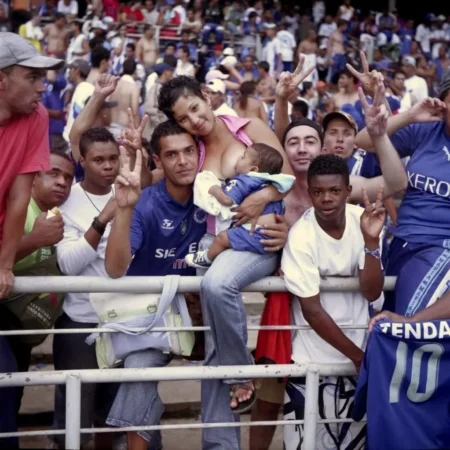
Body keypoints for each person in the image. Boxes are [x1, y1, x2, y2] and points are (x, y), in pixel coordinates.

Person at [157, 75, 289, 448]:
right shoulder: (193, 149)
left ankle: (241, 375)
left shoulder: (251, 127)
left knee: (217, 285)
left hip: (257, 238)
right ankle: (220, 444)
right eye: (183, 119)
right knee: (214, 344)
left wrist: (260, 199)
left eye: (195, 109)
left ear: (206, 97)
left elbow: (286, 176)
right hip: (214, 240)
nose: (194, 121)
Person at [104, 121, 205, 450]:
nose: (183, 161)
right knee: (138, 370)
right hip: (149, 315)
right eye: (172, 154)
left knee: (224, 374)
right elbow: (115, 268)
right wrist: (124, 209)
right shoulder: (144, 203)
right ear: (158, 162)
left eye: (189, 151)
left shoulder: (214, 195)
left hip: (199, 313)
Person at [282, 155, 385, 450]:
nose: (326, 198)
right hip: (312, 362)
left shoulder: (363, 220)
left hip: (356, 360)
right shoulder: (301, 235)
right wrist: (358, 358)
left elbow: (371, 290)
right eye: (318, 192)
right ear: (310, 192)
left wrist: (371, 244)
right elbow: (312, 311)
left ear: (347, 189)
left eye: (334, 191)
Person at [0, 31, 63, 446]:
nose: (45, 86)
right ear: (1, 79)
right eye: (32, 76)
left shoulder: (36, 117)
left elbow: (21, 195)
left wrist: (4, 264)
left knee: (6, 380)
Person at [354, 69, 450, 319]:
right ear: (443, 104)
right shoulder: (427, 131)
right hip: (402, 243)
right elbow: (365, 140)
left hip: (442, 248)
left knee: (406, 323)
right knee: (390, 318)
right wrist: (409, 116)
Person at [52, 128, 120, 450]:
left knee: (114, 416)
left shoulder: (129, 191)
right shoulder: (67, 199)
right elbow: (68, 264)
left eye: (113, 159)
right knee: (75, 416)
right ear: (83, 161)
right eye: (99, 160)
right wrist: (102, 221)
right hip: (80, 321)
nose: (108, 166)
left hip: (124, 321)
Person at [186, 143, 294, 268]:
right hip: (270, 237)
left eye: (243, 157)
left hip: (255, 234)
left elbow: (227, 200)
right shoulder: (273, 183)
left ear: (253, 169)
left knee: (222, 238)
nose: (238, 159)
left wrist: (214, 188)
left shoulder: (245, 180)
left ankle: (206, 258)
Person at [109, 57, 140, 139]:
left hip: (110, 126)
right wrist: (138, 133)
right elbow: (135, 112)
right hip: (124, 129)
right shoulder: (133, 88)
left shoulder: (113, 85)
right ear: (135, 71)